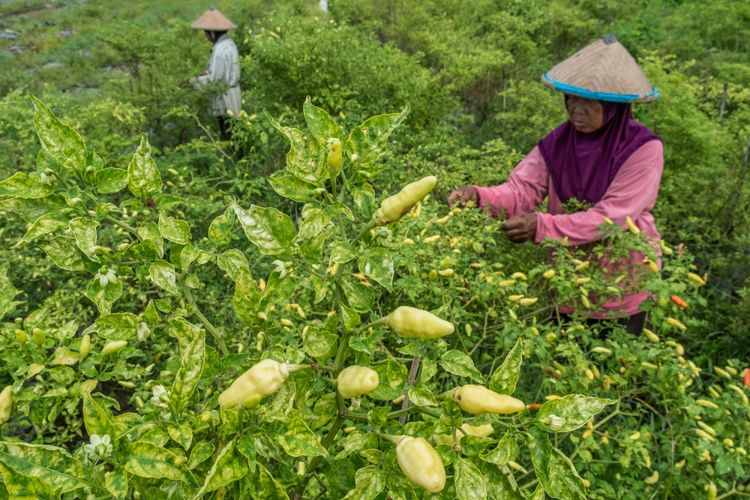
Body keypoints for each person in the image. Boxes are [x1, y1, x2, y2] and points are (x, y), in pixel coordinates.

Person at [448, 35, 663, 334]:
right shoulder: (559, 143)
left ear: (614, 106)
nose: (577, 108)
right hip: (566, 283)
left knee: (612, 375)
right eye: (572, 98)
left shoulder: (643, 149)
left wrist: (541, 227)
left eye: (589, 101)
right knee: (560, 369)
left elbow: (613, 218)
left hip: (621, 288)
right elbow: (521, 189)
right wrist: (478, 197)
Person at [191, 8, 241, 140]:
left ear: (212, 33)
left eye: (206, 33)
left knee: (229, 133)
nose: (206, 36)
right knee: (236, 131)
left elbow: (214, 79)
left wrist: (193, 81)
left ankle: (235, 159)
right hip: (233, 93)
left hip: (224, 96)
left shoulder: (220, 49)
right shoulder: (229, 44)